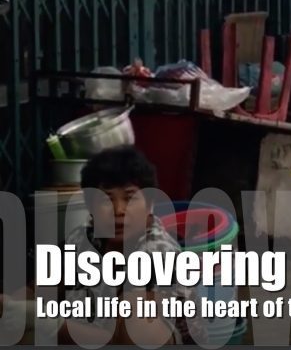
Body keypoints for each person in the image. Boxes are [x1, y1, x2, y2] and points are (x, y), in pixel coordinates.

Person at [3, 147, 206, 345]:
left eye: (130, 197)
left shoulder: (160, 253)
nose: (118, 210)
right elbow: (39, 288)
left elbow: (126, 339)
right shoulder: (84, 238)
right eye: (106, 200)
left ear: (149, 203)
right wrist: (10, 305)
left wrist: (46, 321)